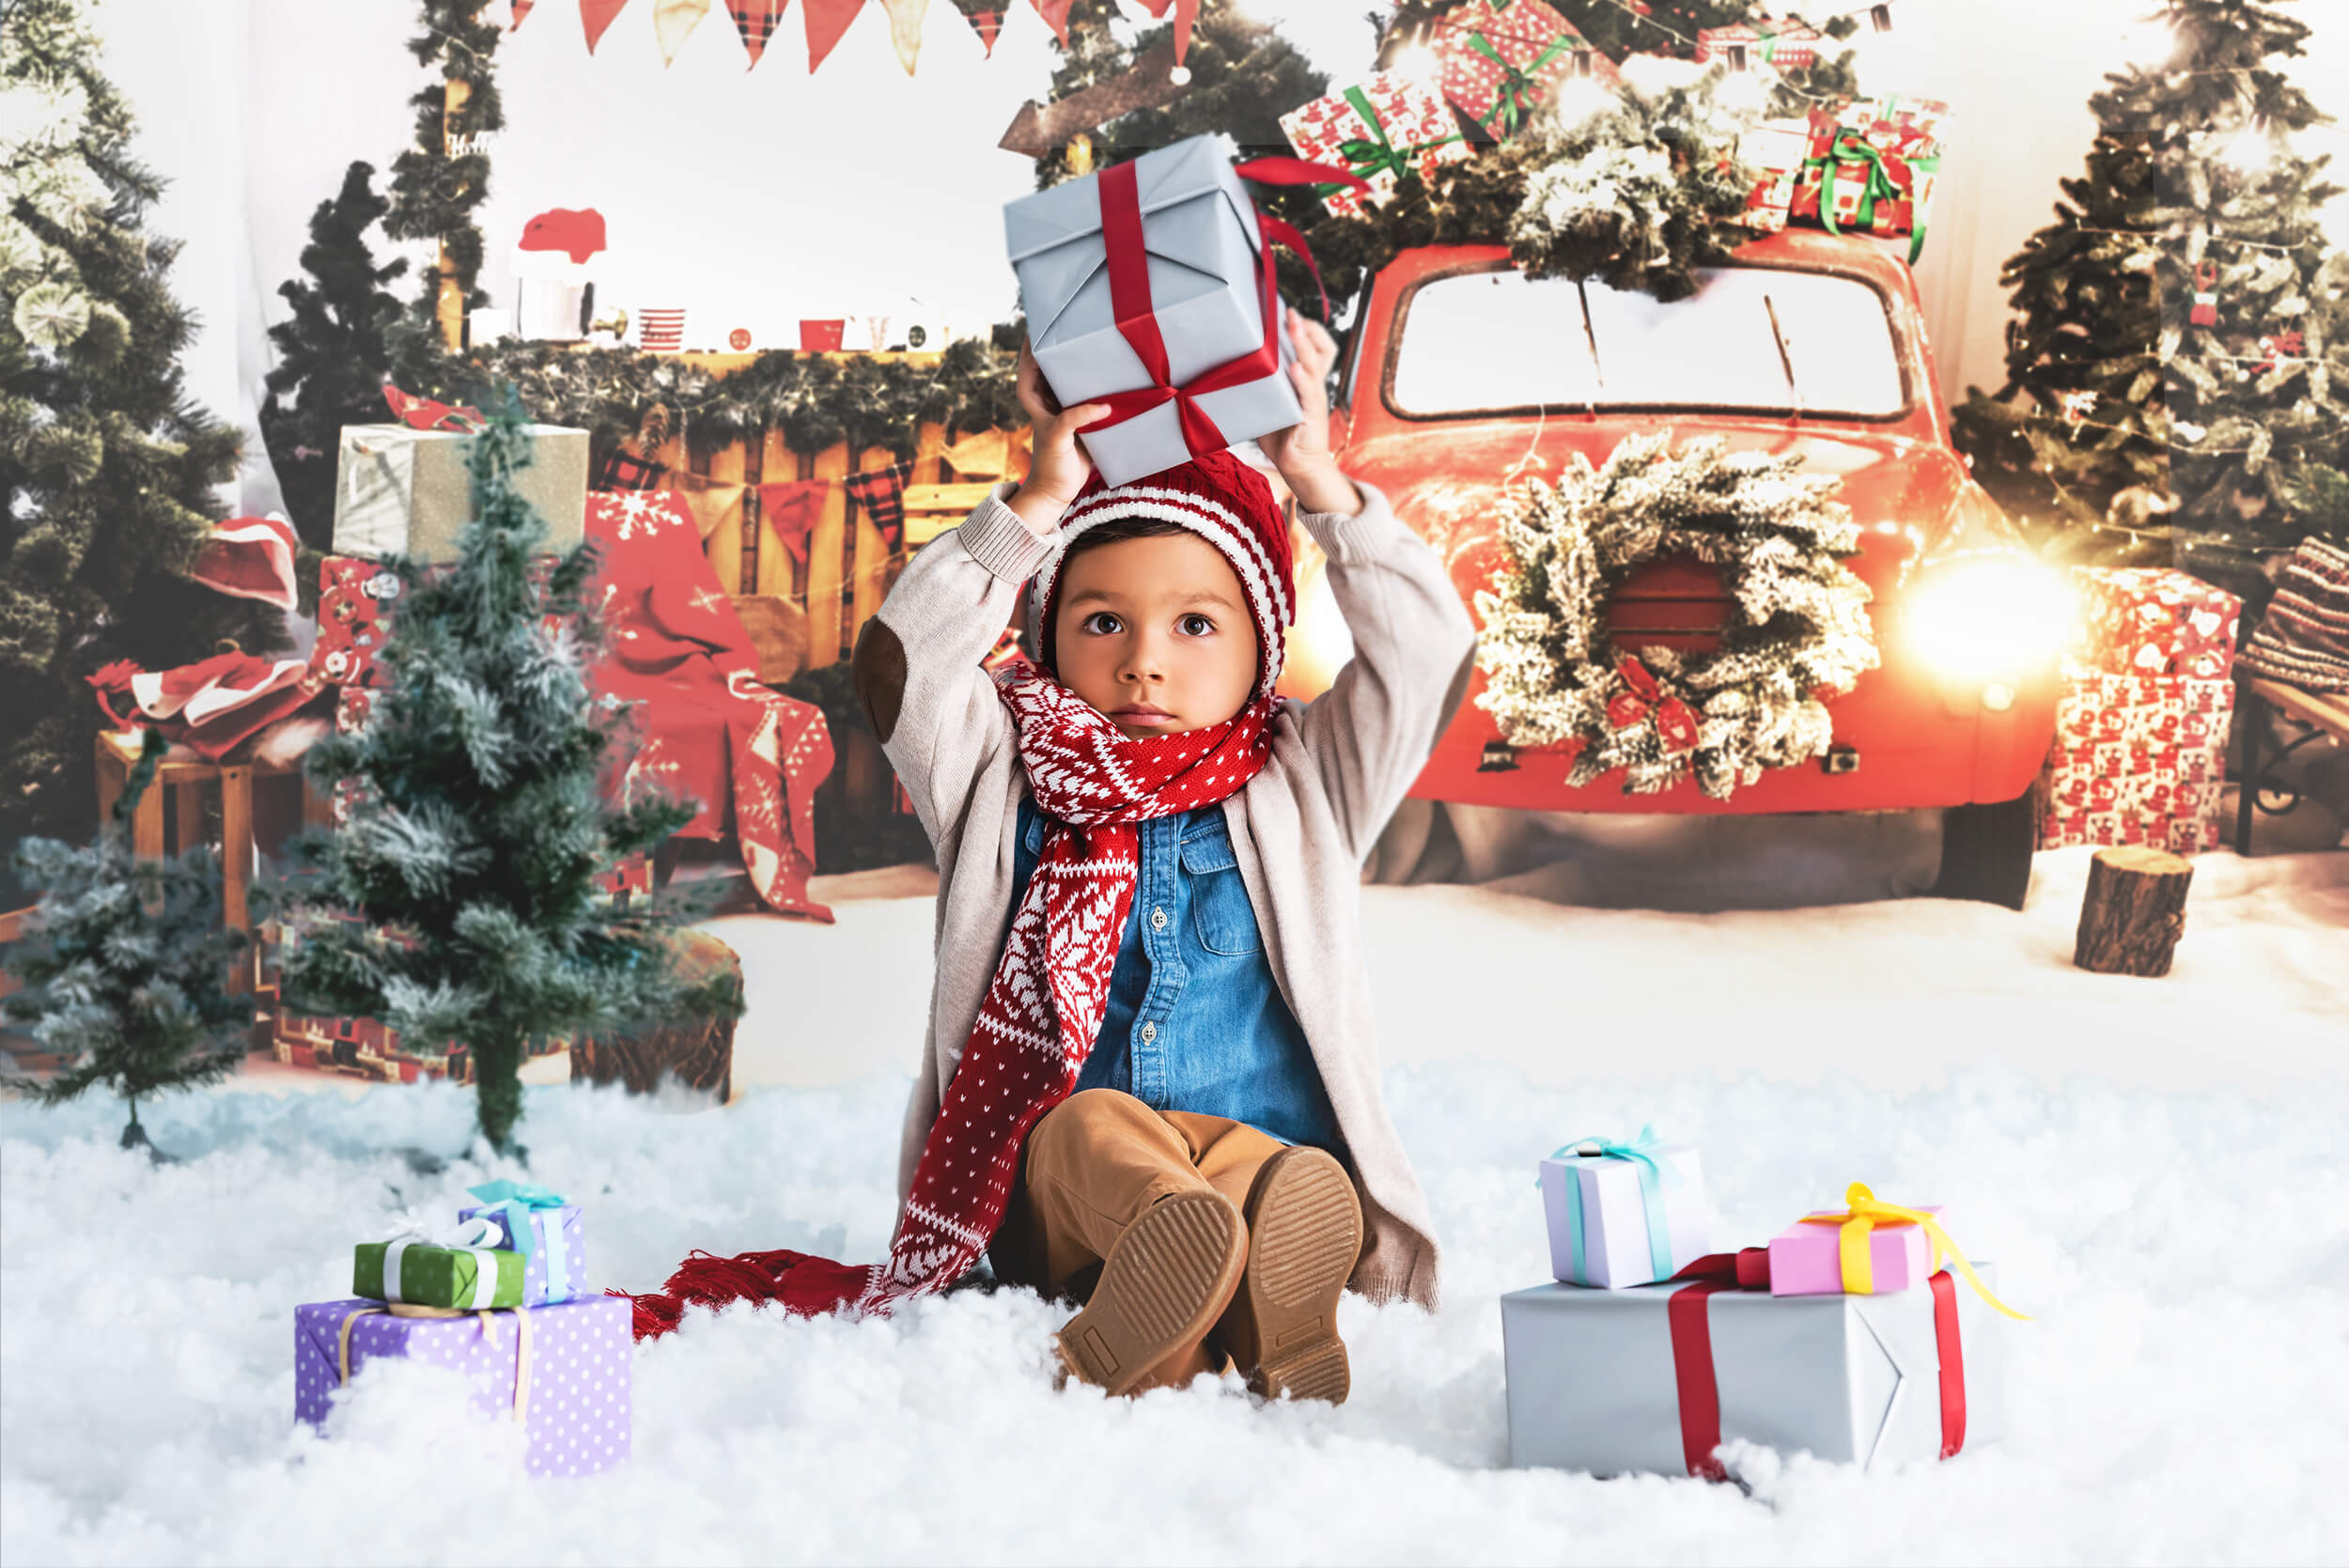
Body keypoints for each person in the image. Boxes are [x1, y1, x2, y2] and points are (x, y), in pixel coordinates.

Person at [848, 305, 1480, 1401]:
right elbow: (902, 662)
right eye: (1101, 622)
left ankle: (1245, 1293)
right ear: (1045, 634)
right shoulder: (996, 769)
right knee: (1096, 1126)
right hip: (1055, 1201)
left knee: (1269, 1171)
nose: (1144, 663)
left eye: (1195, 625)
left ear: (1262, 649)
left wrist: (1313, 475)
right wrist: (1037, 502)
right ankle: (1183, 1254)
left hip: (1251, 1152)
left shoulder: (1309, 781)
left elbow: (1428, 653)